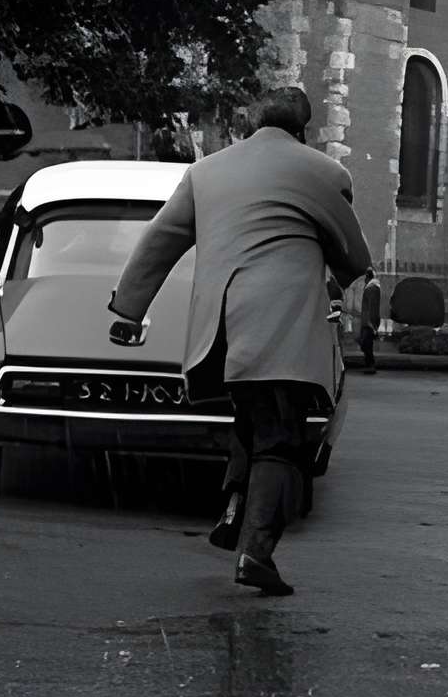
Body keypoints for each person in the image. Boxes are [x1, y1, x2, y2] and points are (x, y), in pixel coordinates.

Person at [107, 85, 372, 597]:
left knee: (250, 420)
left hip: (222, 327)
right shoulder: (323, 172)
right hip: (281, 325)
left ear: (251, 124)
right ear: (303, 130)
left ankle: (233, 511)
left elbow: (160, 240)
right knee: (281, 438)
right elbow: (354, 256)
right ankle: (256, 552)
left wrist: (129, 309)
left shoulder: (206, 171)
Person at [356, 274, 383, 374]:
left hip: (368, 322)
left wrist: (372, 323)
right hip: (368, 321)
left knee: (366, 344)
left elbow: (372, 307)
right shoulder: (373, 288)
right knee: (366, 343)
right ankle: (370, 365)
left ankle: (370, 365)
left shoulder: (371, 288)